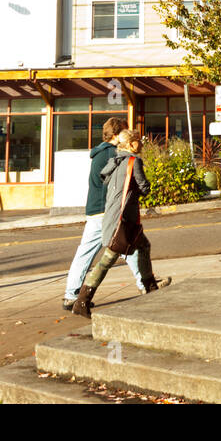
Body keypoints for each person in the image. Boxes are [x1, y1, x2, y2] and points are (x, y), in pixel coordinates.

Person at [71, 128, 169, 317]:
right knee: (108, 259)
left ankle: (150, 288)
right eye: (139, 141)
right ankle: (82, 301)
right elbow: (143, 187)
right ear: (131, 144)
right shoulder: (134, 161)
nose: (141, 144)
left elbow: (108, 182)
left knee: (143, 246)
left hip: (114, 216)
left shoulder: (114, 161)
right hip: (124, 220)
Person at [61, 118, 146, 310]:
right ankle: (146, 285)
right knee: (128, 246)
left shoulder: (99, 152)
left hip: (94, 210)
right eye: (124, 133)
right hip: (107, 210)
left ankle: (71, 295)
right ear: (117, 135)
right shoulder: (113, 153)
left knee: (86, 253)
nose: (127, 136)